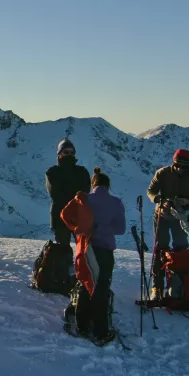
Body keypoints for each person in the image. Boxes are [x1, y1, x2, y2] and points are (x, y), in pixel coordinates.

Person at [73, 168, 126, 342]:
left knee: (85, 284)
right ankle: (100, 329)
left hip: (87, 249)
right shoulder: (116, 202)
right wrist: (103, 228)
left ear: (93, 184)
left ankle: (81, 324)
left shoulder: (85, 199)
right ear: (108, 185)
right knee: (102, 288)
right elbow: (120, 229)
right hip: (105, 250)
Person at [146, 148, 189, 298]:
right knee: (160, 249)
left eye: (183, 166)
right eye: (177, 164)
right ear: (174, 161)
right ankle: (156, 289)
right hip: (162, 216)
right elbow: (151, 191)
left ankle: (177, 288)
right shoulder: (163, 173)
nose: (179, 168)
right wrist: (159, 200)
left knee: (180, 250)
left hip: (180, 218)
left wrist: (188, 201)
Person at [45, 139, 91, 250]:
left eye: (72, 152)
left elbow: (85, 192)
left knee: (84, 250)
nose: (69, 155)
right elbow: (55, 194)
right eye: (66, 152)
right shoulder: (52, 172)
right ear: (59, 154)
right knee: (63, 251)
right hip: (60, 217)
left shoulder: (81, 172)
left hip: (76, 216)